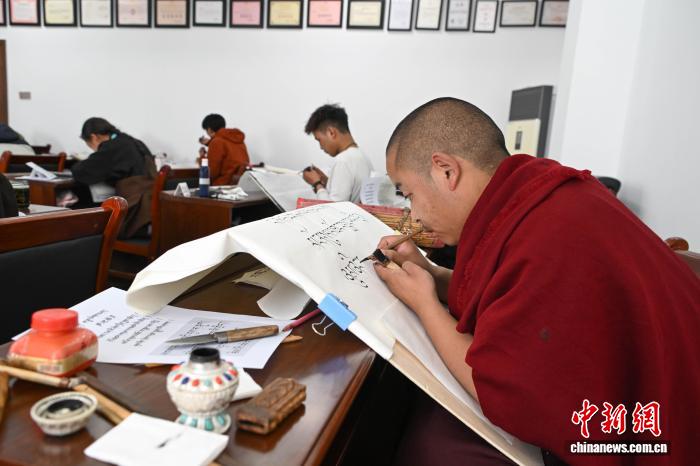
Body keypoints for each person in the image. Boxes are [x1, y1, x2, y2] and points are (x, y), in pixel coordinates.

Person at [373, 97, 700, 465]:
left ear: (446, 171)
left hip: (659, 438)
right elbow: (501, 290)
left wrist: (425, 304)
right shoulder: (541, 192)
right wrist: (431, 274)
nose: (413, 215)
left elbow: (500, 386)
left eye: (409, 194)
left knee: (429, 448)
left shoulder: (551, 233)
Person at [72, 117, 156, 237]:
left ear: (94, 137)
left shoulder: (112, 146)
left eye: (89, 145)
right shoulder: (134, 142)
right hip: (150, 207)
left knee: (83, 208)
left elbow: (81, 172)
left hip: (135, 212)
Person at [303, 104, 373, 202]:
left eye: (319, 140)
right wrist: (328, 182)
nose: (321, 147)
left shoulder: (343, 161)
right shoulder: (362, 155)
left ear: (331, 132)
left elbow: (333, 208)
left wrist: (317, 183)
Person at [199, 114, 250, 185]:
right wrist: (210, 143)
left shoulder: (216, 142)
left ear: (209, 129)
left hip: (222, 185)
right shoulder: (238, 140)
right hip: (240, 185)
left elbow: (211, 173)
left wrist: (202, 157)